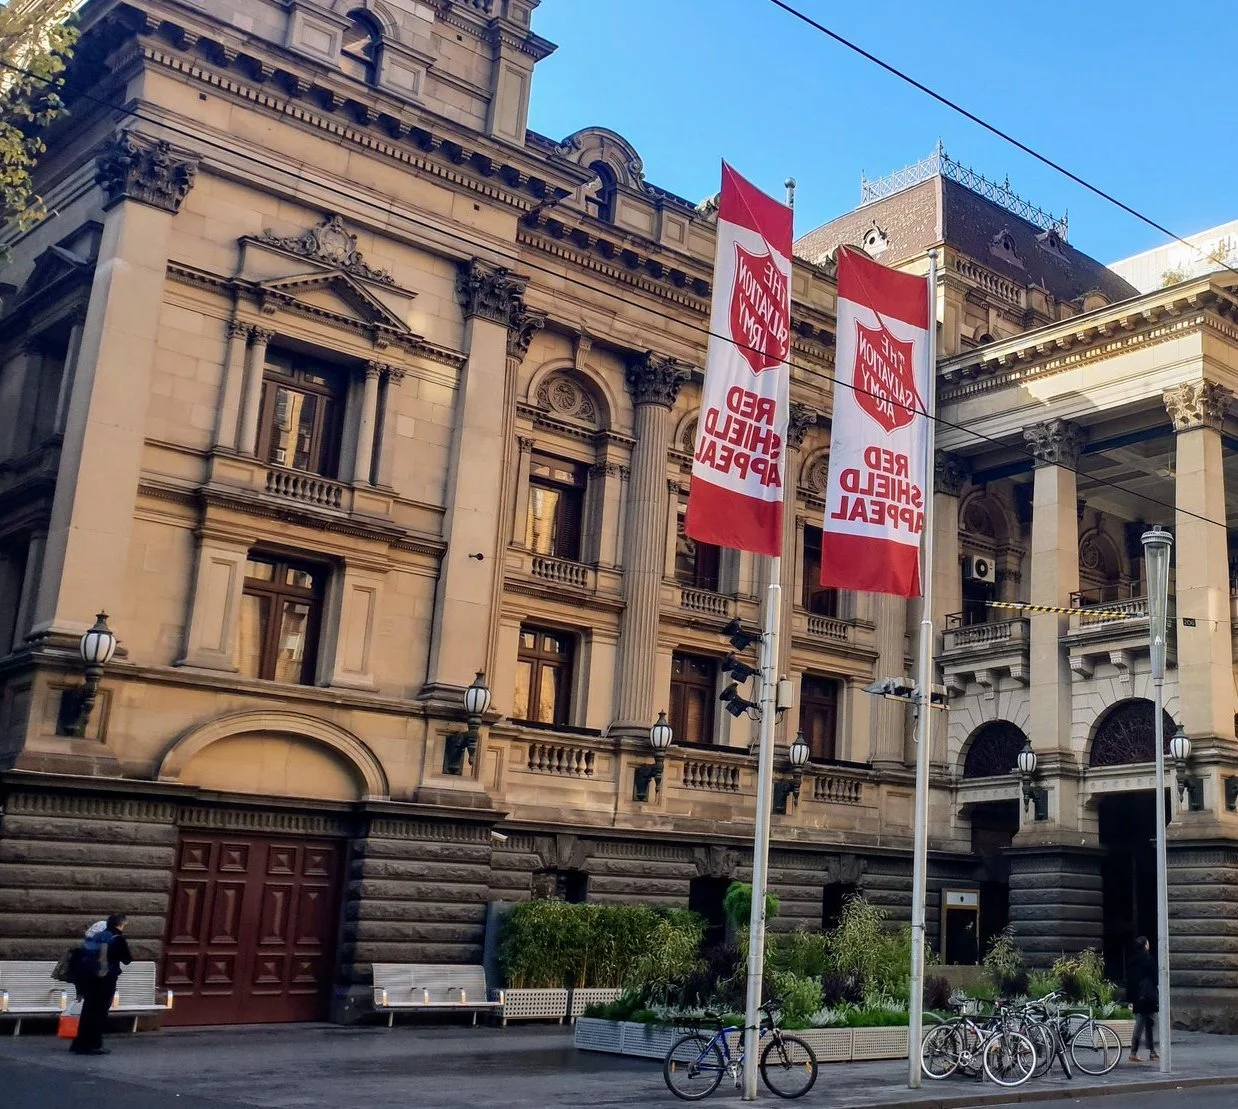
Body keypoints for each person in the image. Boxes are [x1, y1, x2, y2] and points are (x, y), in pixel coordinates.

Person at [71, 913, 132, 1056]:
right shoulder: (118, 938)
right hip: (105, 980)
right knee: (99, 1013)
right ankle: (94, 1044)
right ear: (121, 924)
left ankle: (79, 1044)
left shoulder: (96, 936)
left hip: (89, 979)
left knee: (88, 1011)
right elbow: (127, 959)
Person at [1126, 935, 1159, 1063]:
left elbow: (1130, 980)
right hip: (1148, 996)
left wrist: (1130, 998)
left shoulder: (1132, 960)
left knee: (1145, 1022)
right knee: (1146, 1023)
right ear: (1145, 945)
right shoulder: (1148, 959)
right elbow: (1155, 977)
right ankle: (1135, 1053)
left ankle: (1151, 1052)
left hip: (1137, 996)